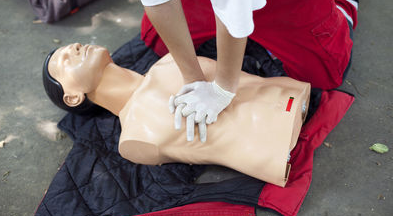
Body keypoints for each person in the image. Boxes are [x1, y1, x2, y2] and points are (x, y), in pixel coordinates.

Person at [128, 0, 372, 142]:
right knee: (157, 41)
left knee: (325, 71)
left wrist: (223, 89)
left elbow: (232, 8)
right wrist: (194, 79)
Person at [43, 43, 310, 187]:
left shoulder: (169, 61)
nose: (74, 48)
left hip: (293, 95)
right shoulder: (133, 139)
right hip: (276, 148)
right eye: (65, 61)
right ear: (73, 97)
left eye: (72, 46)